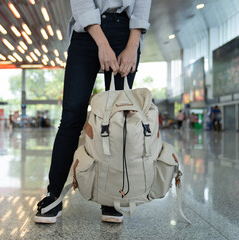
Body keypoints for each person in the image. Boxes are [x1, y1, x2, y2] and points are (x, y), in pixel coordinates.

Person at [34, 0, 152, 224]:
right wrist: (102, 44)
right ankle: (54, 194)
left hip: (126, 32)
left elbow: (143, 5)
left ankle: (112, 195)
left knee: (118, 121)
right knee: (71, 117)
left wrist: (132, 46)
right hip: (87, 32)